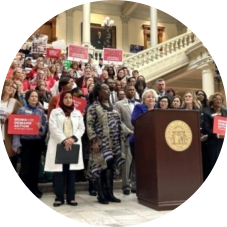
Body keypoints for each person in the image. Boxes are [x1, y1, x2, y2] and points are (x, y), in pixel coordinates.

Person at [86, 83, 126, 204]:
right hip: (100, 143)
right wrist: (93, 141)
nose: (108, 91)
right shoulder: (94, 107)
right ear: (99, 92)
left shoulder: (113, 107)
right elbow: (89, 125)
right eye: (105, 89)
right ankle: (101, 195)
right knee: (100, 167)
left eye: (109, 89)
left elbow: (119, 123)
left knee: (110, 168)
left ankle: (110, 193)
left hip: (113, 143)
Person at [44, 91, 85, 206]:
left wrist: (72, 139)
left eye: (70, 98)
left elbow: (81, 128)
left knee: (71, 172)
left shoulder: (77, 113)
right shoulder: (55, 112)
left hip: (73, 144)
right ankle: (59, 197)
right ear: (61, 100)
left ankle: (71, 197)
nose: (68, 100)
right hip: (59, 144)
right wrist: (64, 139)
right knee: (59, 172)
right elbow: (53, 127)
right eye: (66, 98)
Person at [12, 90, 47, 198]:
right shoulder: (21, 110)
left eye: (36, 96)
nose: (34, 98)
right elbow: (16, 128)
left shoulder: (40, 112)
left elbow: (44, 127)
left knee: (35, 167)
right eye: (32, 96)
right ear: (27, 98)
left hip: (37, 142)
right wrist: (16, 143)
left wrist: (40, 127)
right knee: (25, 167)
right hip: (25, 142)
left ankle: (34, 189)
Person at [129, 89, 158, 193]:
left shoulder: (158, 110)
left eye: (152, 97)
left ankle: (149, 185)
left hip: (153, 142)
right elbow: (134, 120)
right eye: (148, 97)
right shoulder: (139, 107)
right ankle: (137, 185)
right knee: (139, 163)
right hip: (138, 141)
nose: (151, 99)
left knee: (150, 164)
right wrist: (149, 114)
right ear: (144, 99)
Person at [114, 84, 140, 195]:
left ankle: (136, 184)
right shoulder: (118, 104)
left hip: (140, 136)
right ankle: (125, 185)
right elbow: (118, 120)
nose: (132, 91)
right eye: (130, 90)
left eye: (133, 90)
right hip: (127, 136)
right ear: (125, 91)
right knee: (127, 162)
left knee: (137, 162)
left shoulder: (139, 104)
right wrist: (128, 131)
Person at [202, 92, 227, 188]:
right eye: (216, 99)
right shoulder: (207, 112)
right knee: (215, 162)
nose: (219, 101)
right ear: (212, 101)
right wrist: (217, 135)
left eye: (220, 99)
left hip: (225, 141)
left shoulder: (225, 112)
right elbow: (206, 128)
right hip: (214, 142)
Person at [0, 79, 23, 175]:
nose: (11, 89)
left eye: (13, 87)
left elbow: (21, 119)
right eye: (9, 86)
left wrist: (11, 118)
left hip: (9, 137)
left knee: (10, 165)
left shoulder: (14, 102)